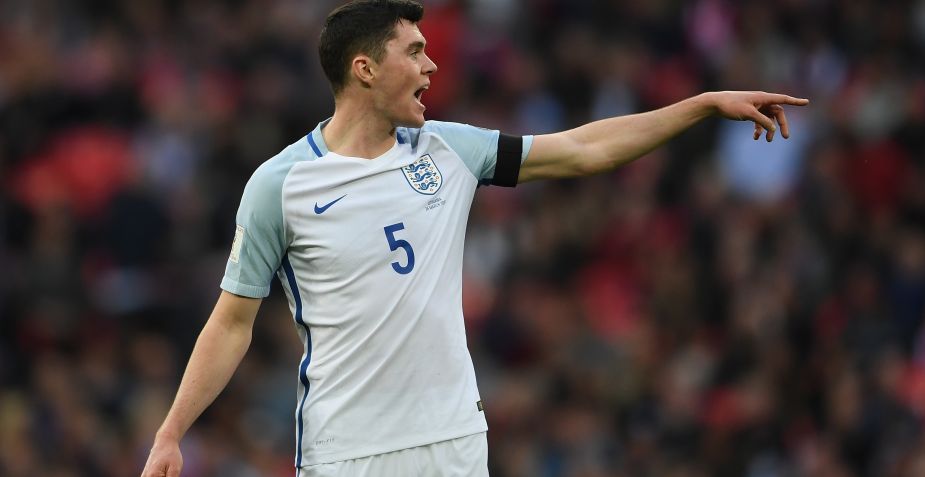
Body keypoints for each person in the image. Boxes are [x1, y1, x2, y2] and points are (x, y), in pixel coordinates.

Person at [140, 0, 808, 476]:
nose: (431, 66)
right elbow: (231, 322)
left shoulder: (449, 150)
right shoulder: (280, 185)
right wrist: (172, 431)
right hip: (348, 450)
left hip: (454, 439)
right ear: (365, 69)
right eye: (414, 52)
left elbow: (584, 150)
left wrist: (700, 105)